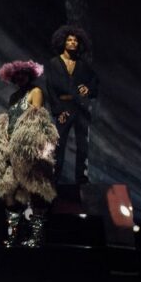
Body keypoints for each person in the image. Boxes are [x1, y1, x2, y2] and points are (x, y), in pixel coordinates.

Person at [0, 60, 59, 248]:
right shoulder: (14, 97)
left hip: (29, 150)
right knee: (9, 193)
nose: (19, 78)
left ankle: (36, 238)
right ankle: (13, 236)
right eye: (16, 75)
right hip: (11, 150)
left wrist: (33, 148)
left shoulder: (36, 92)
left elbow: (37, 121)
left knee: (36, 191)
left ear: (30, 75)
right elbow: (10, 120)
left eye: (23, 74)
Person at [44, 25, 99, 185]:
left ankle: (81, 180)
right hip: (63, 107)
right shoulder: (54, 63)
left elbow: (95, 81)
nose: (73, 42)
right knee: (59, 144)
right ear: (63, 42)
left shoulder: (82, 64)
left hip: (81, 108)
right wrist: (58, 111)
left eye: (75, 40)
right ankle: (54, 179)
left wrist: (88, 89)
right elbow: (50, 88)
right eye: (69, 40)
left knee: (83, 146)